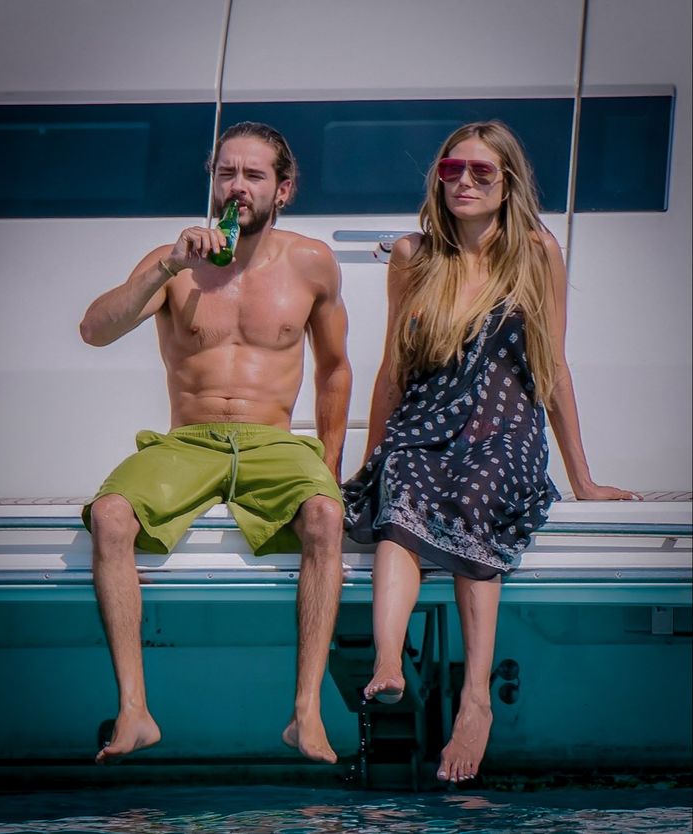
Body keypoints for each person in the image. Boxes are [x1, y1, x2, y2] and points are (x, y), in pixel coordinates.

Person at [342, 120, 641, 784]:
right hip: (425, 418)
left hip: (504, 426)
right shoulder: (414, 256)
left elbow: (553, 366)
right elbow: (391, 369)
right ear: (438, 178)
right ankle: (389, 663)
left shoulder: (536, 251)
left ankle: (475, 699)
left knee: (478, 492)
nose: (465, 183)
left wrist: (582, 480)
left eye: (481, 172)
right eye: (452, 170)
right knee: (400, 485)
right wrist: (371, 458)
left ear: (507, 184)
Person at [79, 121, 352, 765]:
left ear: (283, 189)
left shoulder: (312, 261)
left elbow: (336, 367)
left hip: (273, 441)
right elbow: (94, 329)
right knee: (112, 515)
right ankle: (135, 710)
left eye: (253, 175)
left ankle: (306, 713)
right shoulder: (174, 259)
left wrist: (331, 466)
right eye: (225, 173)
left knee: (325, 515)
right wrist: (169, 266)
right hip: (189, 440)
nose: (236, 188)